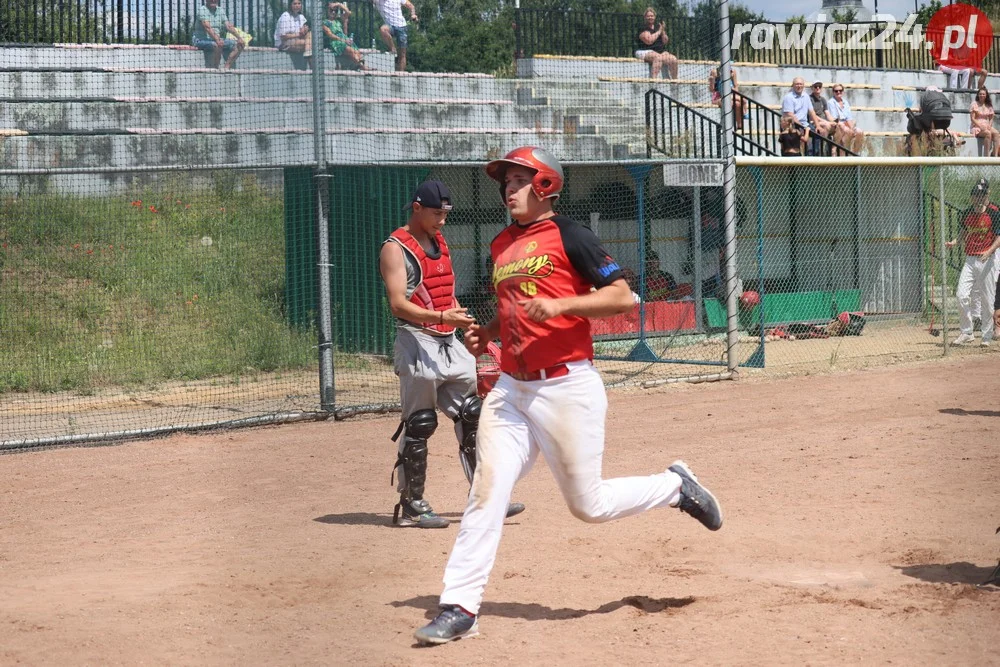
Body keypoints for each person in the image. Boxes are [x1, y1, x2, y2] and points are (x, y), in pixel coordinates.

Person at [413, 146, 723, 645]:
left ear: (545, 186)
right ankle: (459, 607)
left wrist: (563, 304)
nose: (508, 189)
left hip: (566, 386)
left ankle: (674, 486)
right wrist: (489, 331)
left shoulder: (570, 234)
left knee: (589, 505)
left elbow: (623, 296)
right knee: (487, 492)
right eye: (505, 182)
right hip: (512, 390)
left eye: (518, 180)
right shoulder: (499, 245)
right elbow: (515, 307)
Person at [379, 180, 525, 528]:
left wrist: (462, 323)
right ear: (416, 208)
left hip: (448, 340)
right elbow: (398, 304)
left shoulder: (439, 240)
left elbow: (443, 293)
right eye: (435, 213)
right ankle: (412, 506)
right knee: (420, 423)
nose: (441, 220)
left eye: (445, 213)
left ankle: (486, 499)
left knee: (473, 413)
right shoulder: (395, 248)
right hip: (417, 340)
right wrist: (443, 317)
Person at [945, 178, 1000, 347]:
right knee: (961, 295)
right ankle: (967, 332)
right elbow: (963, 231)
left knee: (987, 299)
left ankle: (986, 336)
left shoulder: (994, 212)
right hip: (970, 259)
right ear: (972, 197)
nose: (979, 198)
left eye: (982, 194)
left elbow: (999, 237)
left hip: (987, 259)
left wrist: (989, 251)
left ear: (987, 194)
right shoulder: (967, 212)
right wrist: (955, 242)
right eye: (976, 194)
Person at [192, 0, 245, 69]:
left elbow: (228, 26)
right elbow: (207, 27)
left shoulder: (220, 11)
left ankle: (227, 66)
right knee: (216, 45)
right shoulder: (202, 10)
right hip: (200, 40)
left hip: (216, 39)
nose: (213, 0)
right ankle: (215, 68)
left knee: (240, 44)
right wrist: (217, 40)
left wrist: (239, 38)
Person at [322, 1, 369, 70]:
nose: (333, 12)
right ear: (327, 10)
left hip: (345, 39)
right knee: (351, 50)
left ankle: (358, 66)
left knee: (357, 51)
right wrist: (343, 40)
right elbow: (330, 35)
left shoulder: (338, 20)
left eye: (335, 10)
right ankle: (362, 67)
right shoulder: (325, 22)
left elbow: (348, 12)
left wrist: (338, 4)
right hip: (336, 42)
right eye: (331, 10)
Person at [372, 0, 418, 72]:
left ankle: (400, 74)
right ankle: (393, 49)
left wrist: (413, 14)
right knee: (383, 29)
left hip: (402, 26)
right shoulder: (378, 1)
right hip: (390, 27)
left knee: (402, 54)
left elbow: (411, 6)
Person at [636, 7, 678, 80]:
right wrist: (659, 32)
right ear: (645, 17)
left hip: (660, 52)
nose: (650, 17)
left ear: (654, 17)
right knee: (658, 58)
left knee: (673, 59)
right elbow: (649, 41)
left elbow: (665, 41)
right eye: (648, 16)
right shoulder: (642, 27)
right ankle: (653, 81)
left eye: (652, 16)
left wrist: (663, 31)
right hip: (645, 51)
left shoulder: (658, 27)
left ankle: (675, 82)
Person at [826, 84, 864, 155]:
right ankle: (842, 155)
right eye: (836, 91)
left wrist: (852, 128)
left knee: (859, 132)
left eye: (840, 90)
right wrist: (848, 128)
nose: (838, 92)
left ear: (843, 92)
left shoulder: (845, 102)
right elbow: (836, 119)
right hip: (837, 125)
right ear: (833, 92)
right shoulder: (831, 102)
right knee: (845, 129)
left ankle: (855, 154)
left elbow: (849, 118)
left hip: (845, 124)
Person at [274, 0, 312, 70]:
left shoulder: (301, 16)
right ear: (290, 5)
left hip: (297, 41)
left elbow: (304, 31)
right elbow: (283, 36)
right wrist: (299, 34)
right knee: (309, 43)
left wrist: (305, 30)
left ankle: (308, 55)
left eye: (299, 3)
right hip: (284, 43)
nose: (297, 5)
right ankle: (312, 65)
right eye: (294, 4)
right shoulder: (285, 16)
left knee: (309, 35)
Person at [970, 87, 1000, 158]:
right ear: (978, 95)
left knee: (996, 133)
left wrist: (989, 125)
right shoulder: (975, 104)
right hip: (977, 126)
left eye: (983, 94)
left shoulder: (988, 105)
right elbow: (972, 118)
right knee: (988, 133)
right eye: (980, 94)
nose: (982, 95)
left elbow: (991, 117)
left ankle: (995, 156)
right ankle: (987, 157)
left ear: (986, 95)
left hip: (986, 125)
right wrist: (980, 126)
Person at [807, 81, 834, 154]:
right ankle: (822, 150)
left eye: (819, 86)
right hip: (813, 122)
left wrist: (834, 121)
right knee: (826, 125)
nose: (818, 88)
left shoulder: (823, 99)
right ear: (812, 88)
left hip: (823, 121)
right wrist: (826, 122)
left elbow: (827, 113)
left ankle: (834, 152)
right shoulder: (809, 99)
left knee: (840, 126)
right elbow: (812, 115)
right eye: (816, 86)